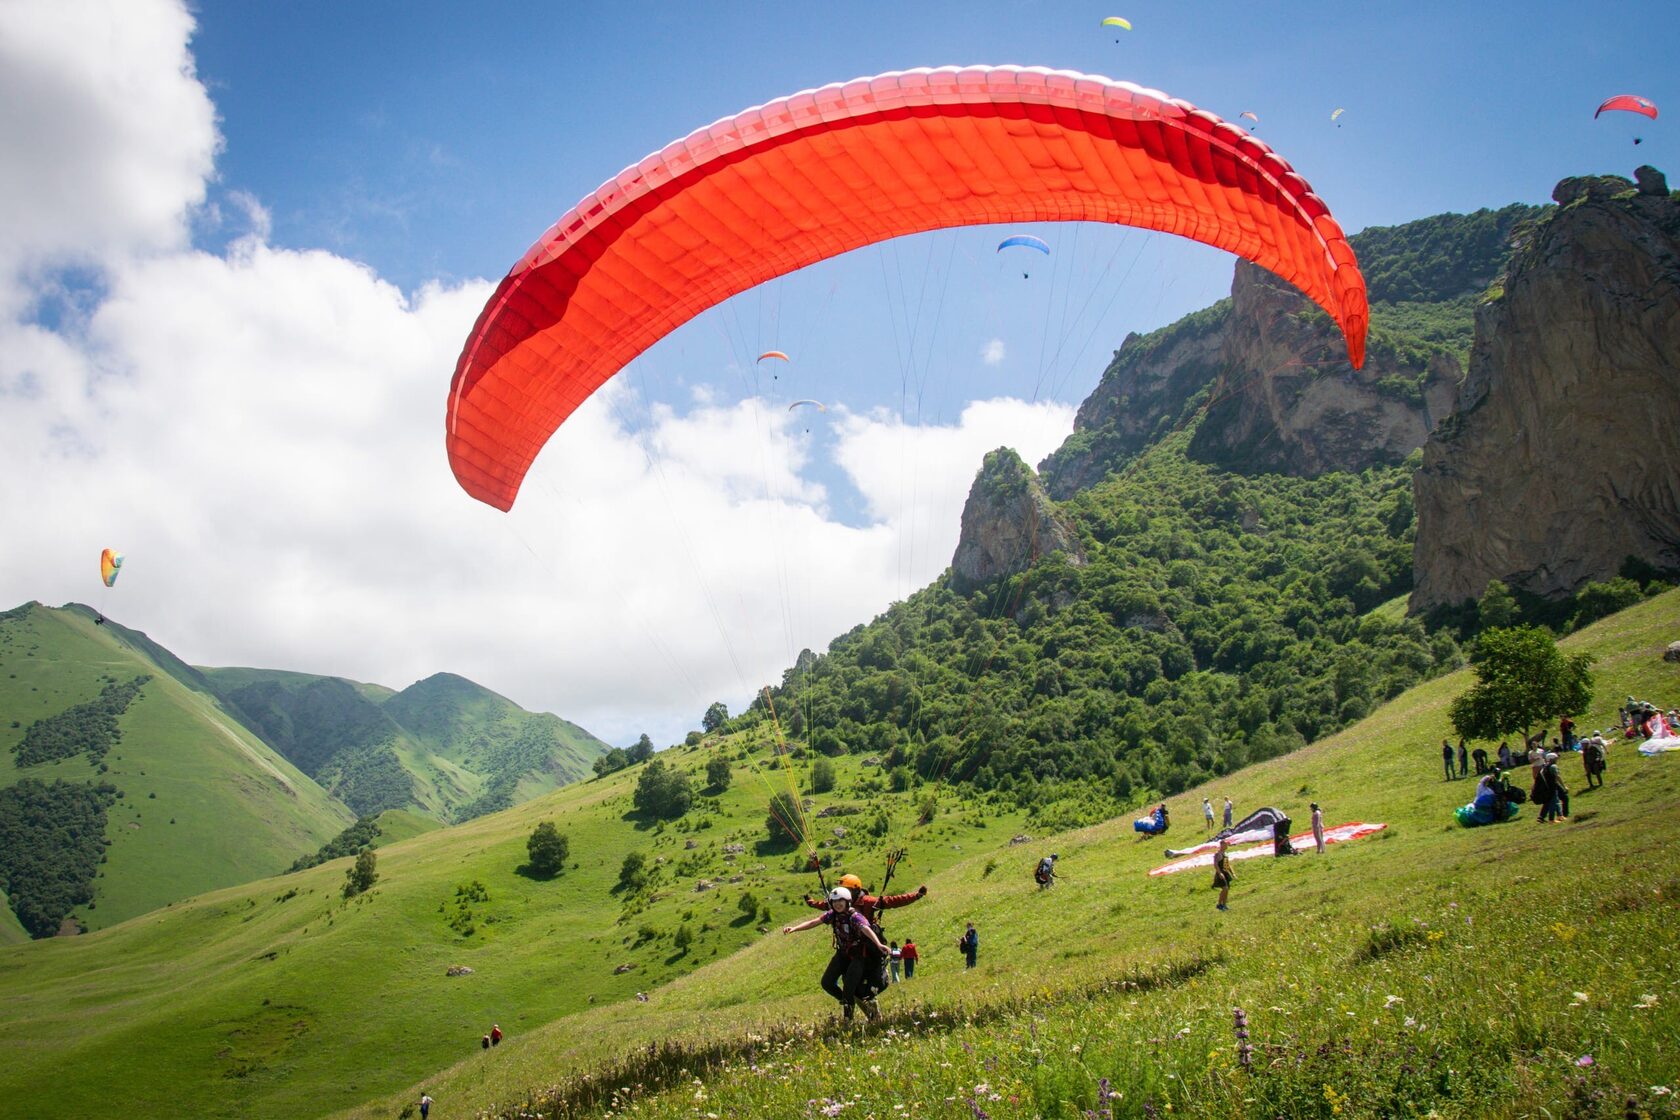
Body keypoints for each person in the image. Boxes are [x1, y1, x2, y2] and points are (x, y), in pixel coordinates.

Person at [783, 887, 889, 1021]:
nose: (837, 904)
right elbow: (814, 922)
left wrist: (879, 944)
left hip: (858, 956)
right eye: (834, 902)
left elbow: (865, 929)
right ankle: (847, 1000)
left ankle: (848, 1020)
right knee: (827, 983)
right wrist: (794, 929)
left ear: (847, 901)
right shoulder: (832, 914)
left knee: (849, 987)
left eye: (841, 901)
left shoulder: (855, 916)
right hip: (843, 953)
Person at [1213, 839, 1233, 911]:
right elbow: (1215, 864)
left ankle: (1224, 905)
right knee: (1225, 888)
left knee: (1227, 889)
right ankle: (1219, 904)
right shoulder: (1218, 854)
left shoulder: (1225, 854)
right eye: (1225, 844)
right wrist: (1220, 873)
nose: (1227, 846)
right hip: (1220, 873)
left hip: (1226, 873)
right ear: (1222, 845)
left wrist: (1232, 873)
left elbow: (1227, 864)